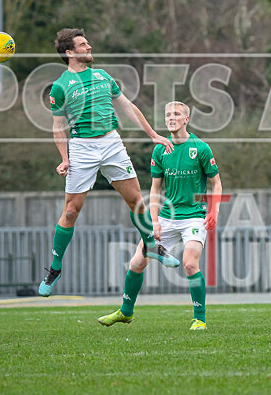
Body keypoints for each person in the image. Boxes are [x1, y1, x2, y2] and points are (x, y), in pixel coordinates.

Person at [38, 28, 179, 297]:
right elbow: (58, 127)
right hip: (82, 148)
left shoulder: (103, 77)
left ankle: (151, 245)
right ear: (70, 53)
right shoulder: (60, 86)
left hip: (112, 144)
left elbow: (127, 107)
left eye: (87, 43)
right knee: (70, 211)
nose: (89, 47)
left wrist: (153, 135)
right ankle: (55, 269)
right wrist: (65, 159)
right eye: (83, 44)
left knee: (136, 199)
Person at [98, 101, 222, 330]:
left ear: (187, 119)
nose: (171, 118)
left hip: (194, 216)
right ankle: (125, 312)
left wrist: (214, 210)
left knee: (189, 263)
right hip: (167, 216)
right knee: (137, 261)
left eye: (176, 114)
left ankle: (200, 319)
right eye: (168, 114)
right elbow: (155, 190)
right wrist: (154, 222)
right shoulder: (160, 149)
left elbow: (216, 183)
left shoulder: (201, 148)